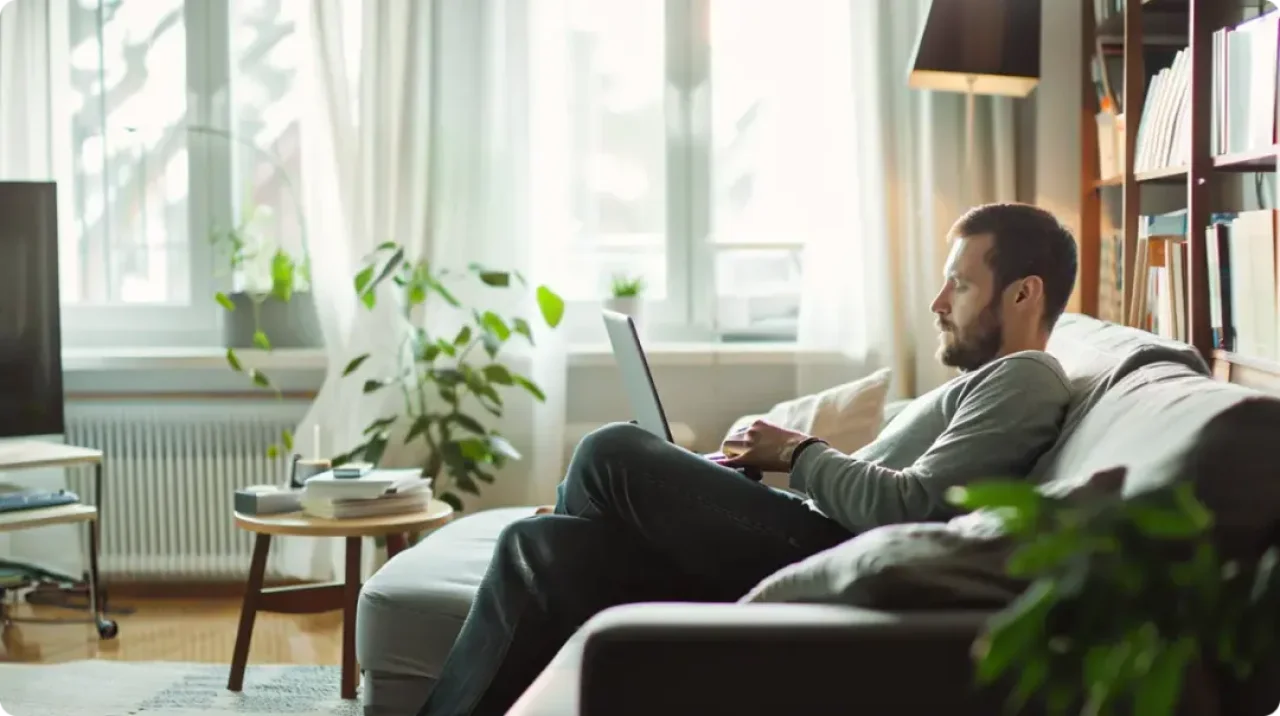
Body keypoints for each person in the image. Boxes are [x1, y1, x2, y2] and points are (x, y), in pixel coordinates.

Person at [418, 202, 1078, 715]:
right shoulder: (985, 382)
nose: (937, 304)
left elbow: (912, 507)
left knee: (610, 450)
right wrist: (744, 477)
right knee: (541, 545)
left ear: (1023, 294)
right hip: (810, 533)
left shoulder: (1025, 378)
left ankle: (601, 510)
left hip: (828, 560)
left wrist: (796, 451)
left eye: (958, 286)